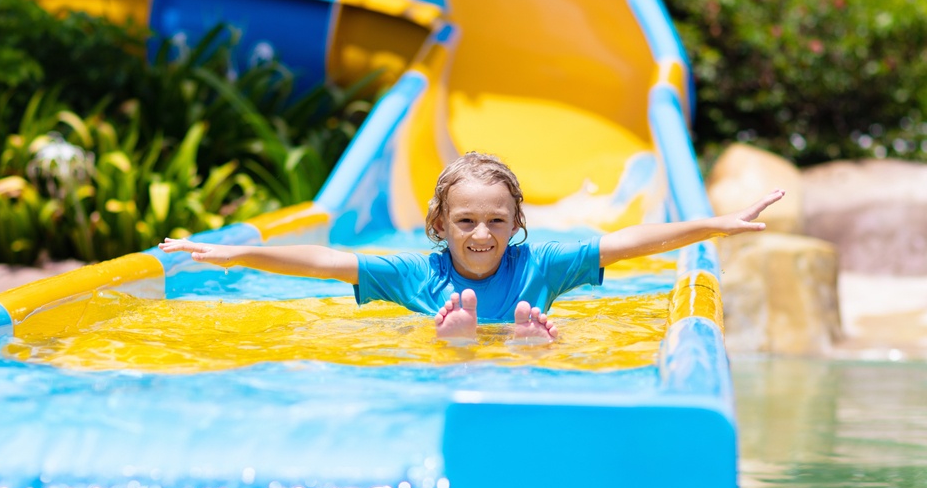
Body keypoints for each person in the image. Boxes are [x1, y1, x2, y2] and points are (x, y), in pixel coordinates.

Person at [158, 152, 784, 343]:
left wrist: (714, 224)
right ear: (439, 223)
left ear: (516, 224)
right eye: (465, 221)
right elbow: (324, 261)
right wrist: (240, 254)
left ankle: (524, 340)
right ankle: (463, 338)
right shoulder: (415, 271)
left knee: (537, 340)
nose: (481, 234)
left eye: (495, 221)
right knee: (440, 340)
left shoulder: (541, 264)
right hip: (446, 348)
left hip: (517, 343)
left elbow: (625, 243)